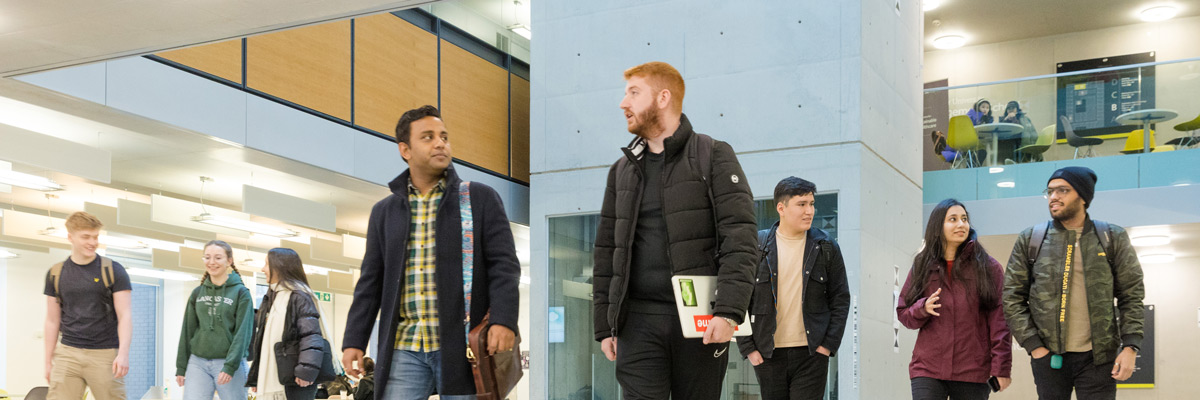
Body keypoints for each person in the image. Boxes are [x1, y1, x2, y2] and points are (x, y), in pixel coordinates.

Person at [593, 61, 758, 399]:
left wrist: (728, 311)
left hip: (699, 322)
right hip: (636, 321)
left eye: (634, 93)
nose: (623, 103)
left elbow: (740, 238)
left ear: (663, 97)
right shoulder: (621, 171)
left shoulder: (712, 155)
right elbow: (607, 251)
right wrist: (604, 326)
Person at [340, 105, 521, 399]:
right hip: (404, 346)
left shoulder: (479, 198)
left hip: (462, 347)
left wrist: (503, 319)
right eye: (427, 137)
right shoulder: (384, 212)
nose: (440, 143)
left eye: (444, 136)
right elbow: (370, 281)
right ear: (405, 150)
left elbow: (504, 265)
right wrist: (354, 340)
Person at [1003, 167, 1145, 400]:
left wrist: (1130, 347)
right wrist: (1035, 347)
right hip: (1048, 357)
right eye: (1049, 191)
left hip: (1098, 359)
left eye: (1062, 190)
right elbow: (1012, 297)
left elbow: (1131, 296)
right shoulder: (1031, 239)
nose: (1053, 197)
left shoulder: (1112, 237)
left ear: (1083, 197)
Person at [738, 177, 851, 399]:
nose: (809, 211)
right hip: (767, 354)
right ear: (781, 207)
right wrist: (748, 348)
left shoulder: (826, 246)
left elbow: (841, 299)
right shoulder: (757, 246)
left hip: (812, 354)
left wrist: (827, 346)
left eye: (811, 203)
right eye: (802, 204)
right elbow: (740, 297)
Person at [898, 199, 1012, 399]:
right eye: (953, 219)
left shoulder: (988, 268)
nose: (961, 224)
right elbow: (903, 312)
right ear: (938, 226)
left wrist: (1001, 367)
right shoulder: (923, 264)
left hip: (972, 371)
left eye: (964, 219)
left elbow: (1000, 322)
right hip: (928, 368)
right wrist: (922, 308)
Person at [43, 211, 133, 400]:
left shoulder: (113, 270)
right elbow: (52, 321)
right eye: (86, 237)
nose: (92, 242)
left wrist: (123, 354)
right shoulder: (56, 273)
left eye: (95, 237)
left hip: (105, 354)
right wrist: (48, 361)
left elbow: (125, 315)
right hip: (68, 352)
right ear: (70, 237)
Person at [177, 240, 254, 400]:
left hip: (228, 362)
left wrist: (230, 366)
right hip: (197, 361)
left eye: (218, 258)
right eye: (207, 257)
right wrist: (181, 366)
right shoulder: (197, 293)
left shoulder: (241, 293)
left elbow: (243, 334)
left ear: (229, 261)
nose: (211, 262)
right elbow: (187, 331)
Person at [247, 248, 326, 400]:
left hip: (295, 379)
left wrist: (306, 371)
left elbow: (311, 336)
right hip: (276, 377)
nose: (262, 269)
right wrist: (258, 376)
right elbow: (262, 342)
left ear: (279, 267)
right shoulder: (270, 298)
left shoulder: (299, 297)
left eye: (266, 264)